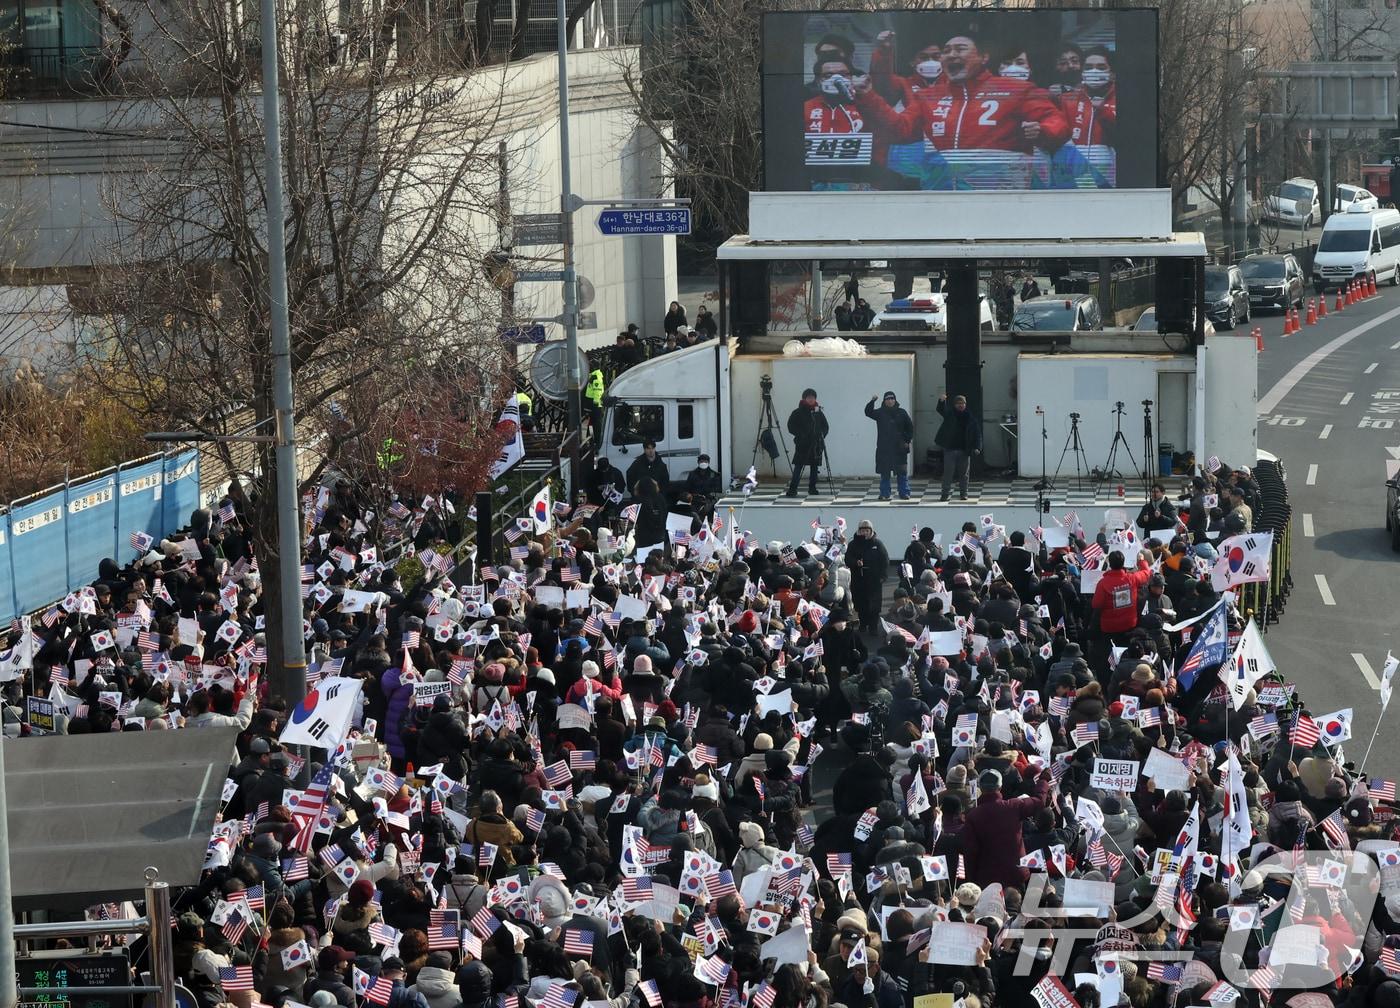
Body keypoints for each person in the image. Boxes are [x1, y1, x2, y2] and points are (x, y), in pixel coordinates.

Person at [853, 32, 1071, 190]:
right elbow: (900, 130)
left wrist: (1042, 130)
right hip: (940, 197)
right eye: (946, 51)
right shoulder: (928, 96)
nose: (951, 54)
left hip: (1002, 197)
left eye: (960, 49)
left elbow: (1057, 122)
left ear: (983, 58)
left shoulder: (1016, 89)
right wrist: (868, 95)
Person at [864, 391, 914, 501]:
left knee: (902, 472)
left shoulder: (902, 412)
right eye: (888, 399)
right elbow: (868, 412)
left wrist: (907, 440)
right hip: (884, 448)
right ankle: (885, 493)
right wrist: (872, 401)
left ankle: (904, 493)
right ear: (884, 401)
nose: (890, 401)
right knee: (885, 472)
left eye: (892, 398)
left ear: (895, 400)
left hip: (900, 448)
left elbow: (910, 428)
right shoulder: (880, 413)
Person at [844, 519, 889, 635]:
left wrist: (883, 576)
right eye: (862, 530)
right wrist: (855, 562)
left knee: (874, 605)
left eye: (867, 530)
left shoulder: (877, 544)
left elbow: (885, 560)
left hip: (874, 580)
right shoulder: (853, 544)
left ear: (871, 531)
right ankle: (863, 624)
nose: (864, 532)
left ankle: (873, 627)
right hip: (858, 579)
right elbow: (848, 559)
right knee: (860, 604)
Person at [935, 393, 981, 501]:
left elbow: (977, 434)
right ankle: (945, 494)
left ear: (966, 404)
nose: (961, 405)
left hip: (964, 450)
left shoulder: (971, 418)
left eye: (963, 403)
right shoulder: (950, 414)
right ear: (954, 405)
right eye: (958, 403)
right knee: (948, 473)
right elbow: (941, 410)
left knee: (964, 474)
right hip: (950, 449)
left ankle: (963, 493)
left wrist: (977, 447)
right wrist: (941, 401)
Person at [785, 388, 829, 497]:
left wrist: (821, 435)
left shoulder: (818, 412)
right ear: (804, 399)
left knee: (814, 467)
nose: (811, 399)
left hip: (816, 445)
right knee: (798, 467)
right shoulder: (798, 412)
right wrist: (801, 434)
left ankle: (812, 488)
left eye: (813, 397)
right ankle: (793, 489)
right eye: (809, 397)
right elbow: (791, 426)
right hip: (802, 444)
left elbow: (825, 426)